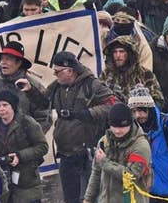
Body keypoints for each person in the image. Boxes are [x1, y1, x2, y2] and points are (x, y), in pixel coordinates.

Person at [47, 52, 117, 203]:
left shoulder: (92, 85)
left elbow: (114, 105)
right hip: (66, 155)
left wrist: (87, 114)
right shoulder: (56, 87)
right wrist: (30, 89)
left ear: (70, 70)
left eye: (58, 71)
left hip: (88, 155)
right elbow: (41, 100)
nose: (54, 74)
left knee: (89, 198)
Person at [0, 89, 48, 203]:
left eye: (5, 105)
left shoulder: (27, 123)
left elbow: (42, 147)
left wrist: (20, 156)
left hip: (26, 181)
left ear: (13, 106)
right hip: (1, 181)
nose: (1, 109)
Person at [0, 42, 51, 135]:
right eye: (2, 59)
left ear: (19, 63)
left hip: (26, 146)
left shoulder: (34, 87)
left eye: (8, 59)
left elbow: (45, 115)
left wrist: (31, 136)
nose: (3, 62)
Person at [83, 103, 152, 203]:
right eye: (114, 127)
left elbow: (131, 176)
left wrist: (105, 162)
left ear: (130, 123)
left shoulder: (141, 146)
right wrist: (88, 199)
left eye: (122, 127)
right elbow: (96, 173)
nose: (117, 131)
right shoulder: (104, 142)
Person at [99, 35, 163, 106]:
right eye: (115, 52)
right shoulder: (106, 74)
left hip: (139, 115)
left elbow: (158, 99)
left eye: (121, 51)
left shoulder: (145, 74)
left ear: (130, 54)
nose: (118, 55)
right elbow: (97, 96)